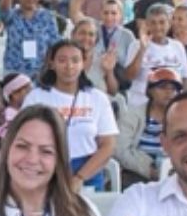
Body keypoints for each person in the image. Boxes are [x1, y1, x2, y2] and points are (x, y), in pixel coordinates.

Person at [23, 40, 118, 190]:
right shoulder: (36, 97)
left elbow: (108, 145)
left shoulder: (97, 98)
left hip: (88, 172)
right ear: (51, 63)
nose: (69, 66)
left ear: (83, 64)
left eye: (75, 60)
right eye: (62, 60)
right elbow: (25, 138)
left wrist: (80, 177)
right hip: (45, 168)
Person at [113, 68, 181, 187]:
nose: (169, 92)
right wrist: (148, 170)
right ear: (150, 90)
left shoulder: (183, 118)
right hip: (137, 171)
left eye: (173, 89)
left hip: (173, 171)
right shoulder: (132, 115)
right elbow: (120, 149)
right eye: (163, 87)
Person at [1, 0, 61, 80]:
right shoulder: (12, 16)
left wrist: (47, 69)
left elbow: (54, 45)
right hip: (14, 72)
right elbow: (3, 10)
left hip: (39, 73)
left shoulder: (48, 17)